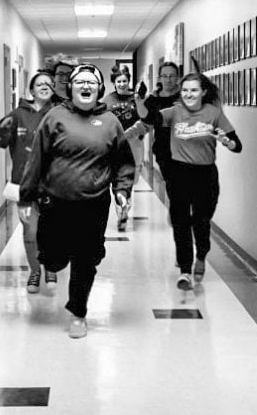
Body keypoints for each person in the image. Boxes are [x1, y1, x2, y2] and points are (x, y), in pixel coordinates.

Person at [19, 64, 135, 339]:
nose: (86, 86)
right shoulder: (55, 117)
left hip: (92, 204)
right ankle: (53, 261)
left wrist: (122, 191)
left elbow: (122, 163)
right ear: (70, 88)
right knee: (54, 258)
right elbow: (37, 159)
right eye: (80, 82)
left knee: (85, 259)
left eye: (91, 83)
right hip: (55, 202)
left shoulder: (110, 122)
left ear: (99, 89)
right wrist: (27, 197)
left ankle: (78, 313)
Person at [143, 72, 242, 290]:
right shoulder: (174, 112)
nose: (188, 94)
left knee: (201, 222)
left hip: (205, 176)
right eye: (185, 90)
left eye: (194, 90)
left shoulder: (214, 113)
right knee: (180, 223)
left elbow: (237, 144)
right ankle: (185, 271)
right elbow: (151, 119)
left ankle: (202, 255)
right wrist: (144, 101)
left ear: (203, 92)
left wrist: (227, 142)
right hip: (179, 174)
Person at [0, 69, 59, 294]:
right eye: (39, 84)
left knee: (54, 229)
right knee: (30, 232)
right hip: (24, 185)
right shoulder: (18, 115)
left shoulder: (59, 114)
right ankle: (35, 270)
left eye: (48, 83)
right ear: (32, 90)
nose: (44, 86)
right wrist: (0, 131)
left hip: (54, 184)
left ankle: (52, 268)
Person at [128, 62, 182, 199]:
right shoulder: (154, 98)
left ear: (178, 77)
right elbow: (145, 118)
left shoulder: (185, 96)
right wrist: (139, 102)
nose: (168, 79)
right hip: (164, 151)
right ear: (159, 78)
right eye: (164, 76)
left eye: (171, 76)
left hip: (187, 149)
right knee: (174, 187)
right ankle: (181, 217)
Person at [102, 68, 145, 231]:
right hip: (114, 145)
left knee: (130, 180)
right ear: (114, 83)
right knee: (117, 179)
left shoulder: (136, 99)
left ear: (129, 81)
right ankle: (122, 212)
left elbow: (145, 118)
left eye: (124, 81)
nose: (121, 84)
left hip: (133, 145)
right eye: (118, 81)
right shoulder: (107, 101)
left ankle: (123, 207)